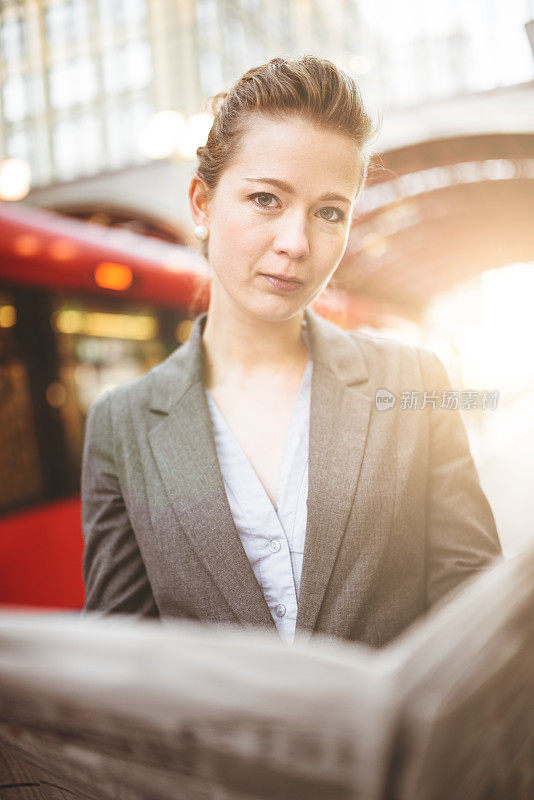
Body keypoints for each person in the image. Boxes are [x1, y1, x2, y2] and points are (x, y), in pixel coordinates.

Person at [81, 55, 502, 647]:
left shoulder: (414, 381)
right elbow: (119, 662)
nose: (296, 243)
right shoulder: (121, 426)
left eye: (330, 212)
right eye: (265, 200)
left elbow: (479, 619)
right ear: (202, 204)